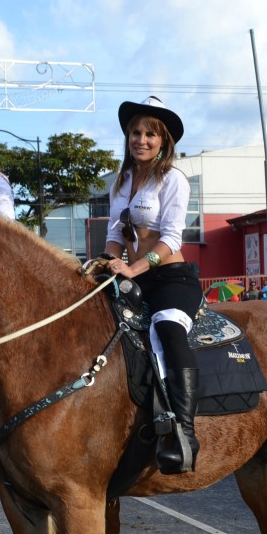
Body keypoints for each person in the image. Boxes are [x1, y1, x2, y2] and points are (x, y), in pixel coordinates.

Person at [89, 96, 200, 474]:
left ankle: (184, 432)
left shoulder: (173, 179)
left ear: (164, 141)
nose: (141, 140)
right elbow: (114, 235)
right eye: (135, 132)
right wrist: (104, 263)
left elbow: (172, 238)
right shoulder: (121, 181)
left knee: (167, 328)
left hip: (170, 278)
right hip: (131, 276)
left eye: (150, 134)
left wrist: (134, 268)